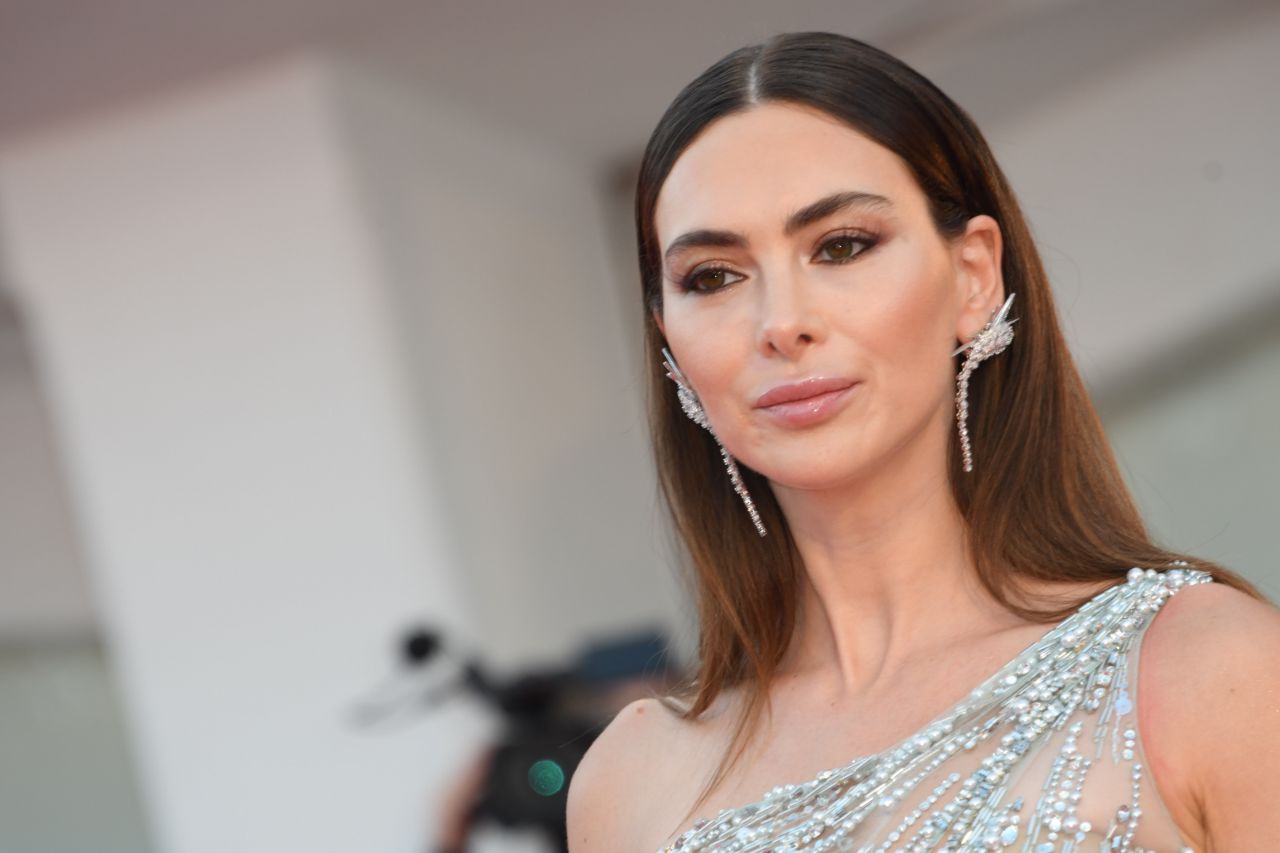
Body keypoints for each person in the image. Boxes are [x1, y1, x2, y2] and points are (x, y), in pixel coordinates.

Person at [566, 31, 1279, 852]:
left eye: (841, 246)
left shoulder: (1207, 671)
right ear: (671, 348)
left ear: (974, 277)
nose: (781, 323)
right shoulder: (632, 780)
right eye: (714, 277)